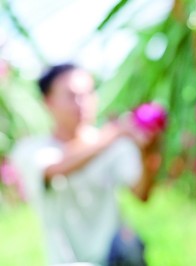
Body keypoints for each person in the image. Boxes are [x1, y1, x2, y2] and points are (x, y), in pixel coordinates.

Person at [10, 63, 159, 266]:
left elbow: (142, 194)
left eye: (89, 93)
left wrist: (148, 155)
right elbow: (57, 167)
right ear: (48, 101)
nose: (83, 103)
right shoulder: (32, 149)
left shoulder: (113, 146)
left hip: (114, 256)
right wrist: (115, 131)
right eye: (72, 96)